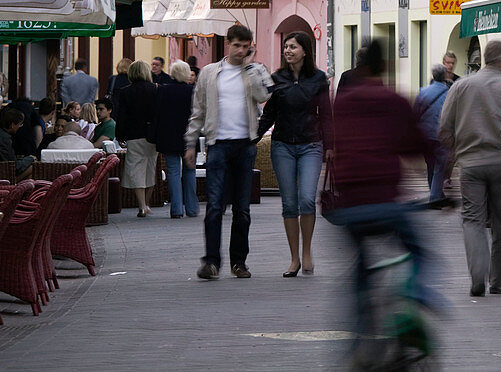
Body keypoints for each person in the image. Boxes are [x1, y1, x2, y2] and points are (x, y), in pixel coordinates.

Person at [327, 39, 439, 362]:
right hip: (386, 202)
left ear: (359, 68)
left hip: (348, 206)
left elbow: (332, 141)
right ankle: (412, 300)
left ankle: (360, 338)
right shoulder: (394, 100)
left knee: (360, 270)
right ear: (384, 67)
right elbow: (417, 146)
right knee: (419, 252)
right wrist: (442, 192)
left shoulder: (343, 103)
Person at [438, 40, 501, 297]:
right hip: (500, 163)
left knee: (472, 219)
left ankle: (478, 275)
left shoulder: (461, 86)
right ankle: (499, 281)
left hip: (470, 163)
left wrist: (455, 151)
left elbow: (444, 126)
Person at [185, 24, 273, 280]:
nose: (241, 50)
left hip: (245, 145)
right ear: (228, 44)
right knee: (214, 205)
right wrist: (190, 143)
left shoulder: (256, 71)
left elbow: (263, 95)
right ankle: (211, 262)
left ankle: (239, 262)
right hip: (218, 145)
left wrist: (251, 66)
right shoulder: (211, 73)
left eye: (246, 46)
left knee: (242, 209)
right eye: (237, 45)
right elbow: (198, 111)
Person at [259, 32, 331, 277]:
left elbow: (327, 114)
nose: (287, 50)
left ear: (305, 50)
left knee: (307, 199)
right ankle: (294, 259)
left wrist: (330, 146)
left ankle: (308, 252)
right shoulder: (277, 78)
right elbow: (269, 113)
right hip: (283, 146)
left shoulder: (319, 79)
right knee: (289, 203)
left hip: (311, 144)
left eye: (292, 46)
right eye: (286, 46)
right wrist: (252, 138)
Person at [154, 61, 198, 219]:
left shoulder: (163, 90)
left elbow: (157, 113)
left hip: (169, 135)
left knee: (173, 172)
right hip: (189, 136)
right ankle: (192, 208)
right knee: (190, 171)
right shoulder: (193, 91)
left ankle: (176, 209)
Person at [116, 60, 159, 217]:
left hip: (134, 135)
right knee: (150, 169)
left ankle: (141, 206)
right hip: (152, 136)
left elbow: (121, 116)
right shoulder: (155, 89)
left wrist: (120, 135)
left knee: (136, 170)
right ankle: (147, 203)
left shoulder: (125, 92)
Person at [413, 64, 451, 206]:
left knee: (430, 165)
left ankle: (436, 193)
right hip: (440, 134)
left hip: (424, 134)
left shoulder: (423, 91)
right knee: (440, 165)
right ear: (444, 75)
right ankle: (435, 197)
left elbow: (416, 111)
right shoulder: (448, 93)